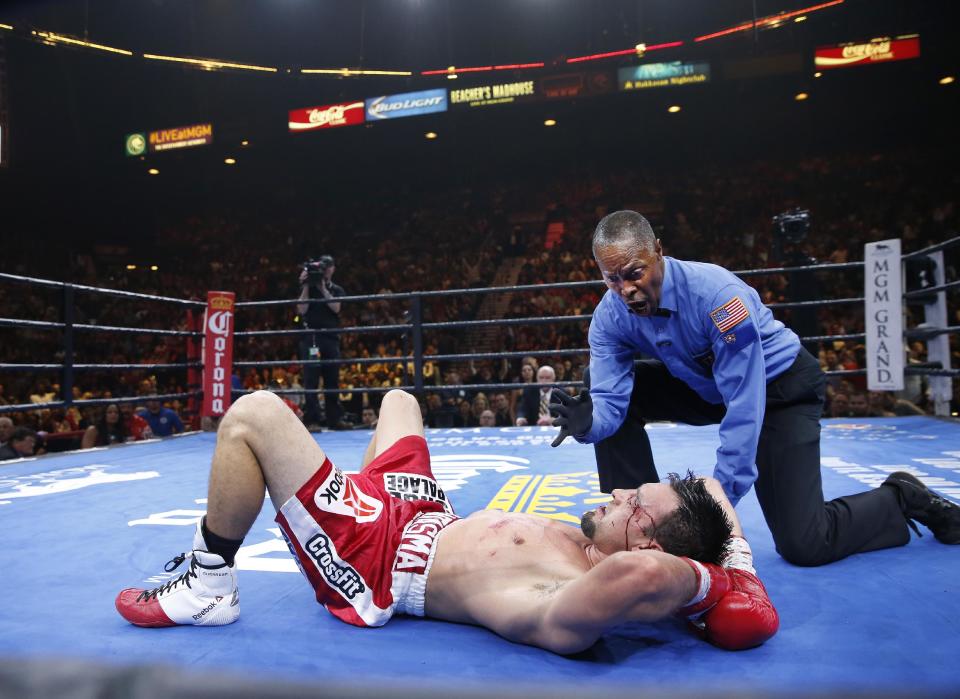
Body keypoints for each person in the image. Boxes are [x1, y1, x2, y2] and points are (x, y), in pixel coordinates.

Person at [115, 389, 778, 653]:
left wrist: (712, 588)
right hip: (424, 510)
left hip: (378, 555)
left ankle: (208, 583)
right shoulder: (608, 538)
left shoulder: (568, 598)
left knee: (254, 416)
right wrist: (738, 569)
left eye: (636, 504)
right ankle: (328, 481)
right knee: (400, 399)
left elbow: (642, 575)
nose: (623, 489)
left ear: (646, 541)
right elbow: (714, 490)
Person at [550, 210, 960, 566]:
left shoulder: (717, 297)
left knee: (805, 544)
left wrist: (712, 512)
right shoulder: (609, 318)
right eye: (611, 279)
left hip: (779, 390)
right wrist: (591, 424)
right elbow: (609, 398)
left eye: (634, 273)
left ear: (658, 250)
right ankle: (640, 525)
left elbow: (745, 404)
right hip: (704, 387)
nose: (625, 289)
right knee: (597, 387)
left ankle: (902, 497)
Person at [296, 255, 350, 431]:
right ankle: (313, 420)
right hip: (311, 338)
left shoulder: (337, 289)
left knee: (332, 379)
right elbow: (301, 310)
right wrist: (306, 287)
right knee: (311, 379)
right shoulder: (309, 289)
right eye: (322, 267)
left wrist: (323, 288)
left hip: (330, 338)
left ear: (332, 269)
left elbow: (336, 308)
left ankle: (334, 419)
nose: (325, 270)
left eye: (327, 267)